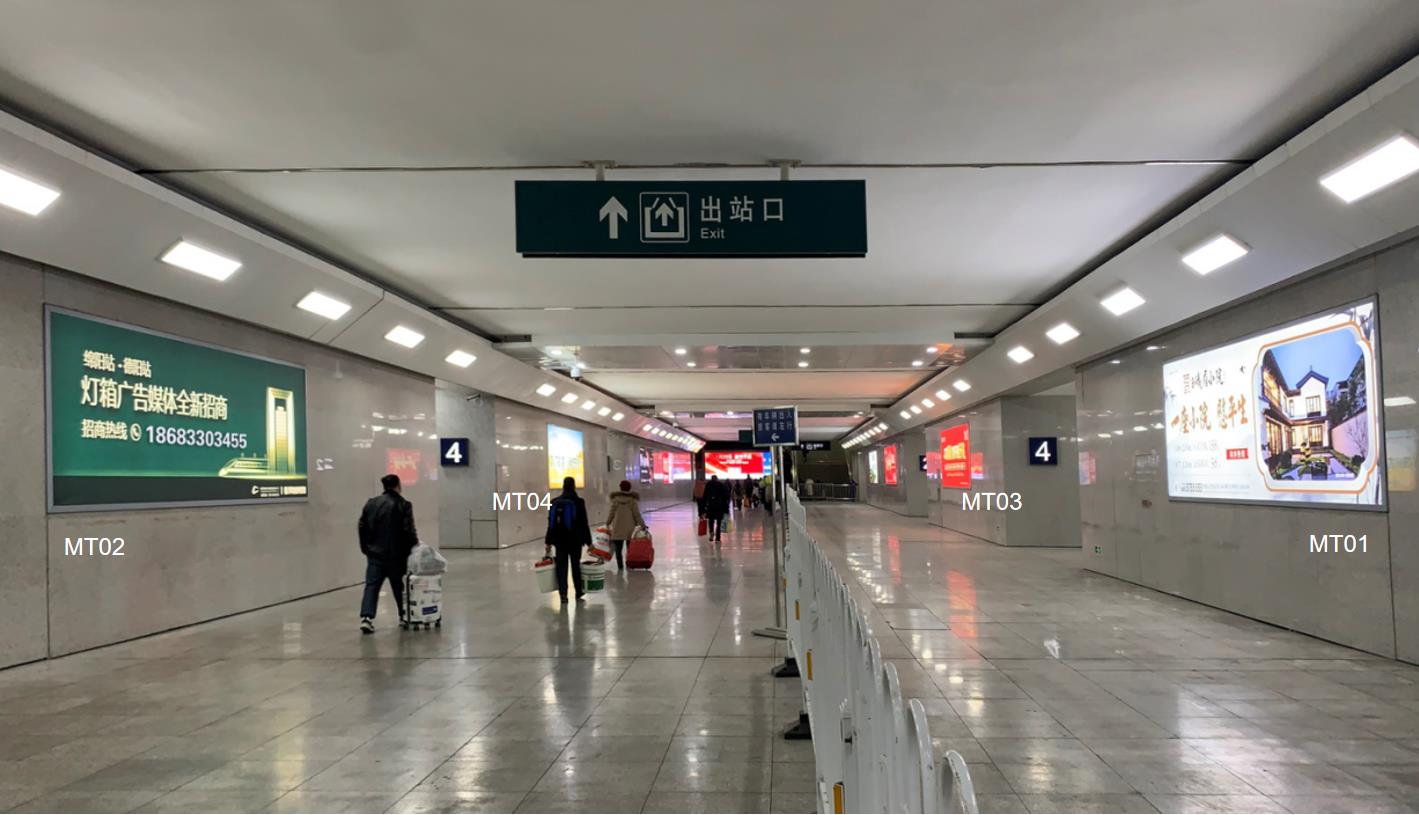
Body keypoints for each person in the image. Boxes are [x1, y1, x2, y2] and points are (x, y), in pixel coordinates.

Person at [357, 473, 419, 633]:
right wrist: (414, 547)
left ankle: (366, 618)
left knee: (371, 586)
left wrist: (366, 548)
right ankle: (403, 616)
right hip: (396, 556)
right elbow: (408, 530)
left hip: (374, 554)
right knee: (399, 587)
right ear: (398, 485)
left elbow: (362, 526)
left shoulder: (371, 503)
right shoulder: (404, 504)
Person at [545, 476, 592, 603]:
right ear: (574, 486)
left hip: (559, 540)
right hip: (575, 540)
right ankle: (578, 592)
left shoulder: (554, 502)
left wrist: (548, 542)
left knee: (561, 567)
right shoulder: (579, 502)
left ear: (563, 486)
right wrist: (589, 542)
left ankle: (563, 594)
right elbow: (584, 523)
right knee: (576, 565)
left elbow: (551, 524)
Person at [605, 479, 645, 570]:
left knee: (618, 550)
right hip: (630, 530)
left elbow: (611, 513)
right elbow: (637, 515)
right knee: (630, 549)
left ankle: (620, 567)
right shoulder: (632, 501)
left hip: (617, 528)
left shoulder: (615, 500)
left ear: (620, 488)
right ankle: (629, 565)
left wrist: (607, 522)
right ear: (629, 488)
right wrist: (642, 525)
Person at [703, 474, 730, 542]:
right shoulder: (720, 485)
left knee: (711, 521)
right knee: (719, 522)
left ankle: (711, 533)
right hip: (719, 506)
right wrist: (726, 508)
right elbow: (725, 496)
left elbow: (705, 496)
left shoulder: (708, 485)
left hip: (710, 505)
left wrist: (703, 507)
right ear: (716, 479)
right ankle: (718, 537)